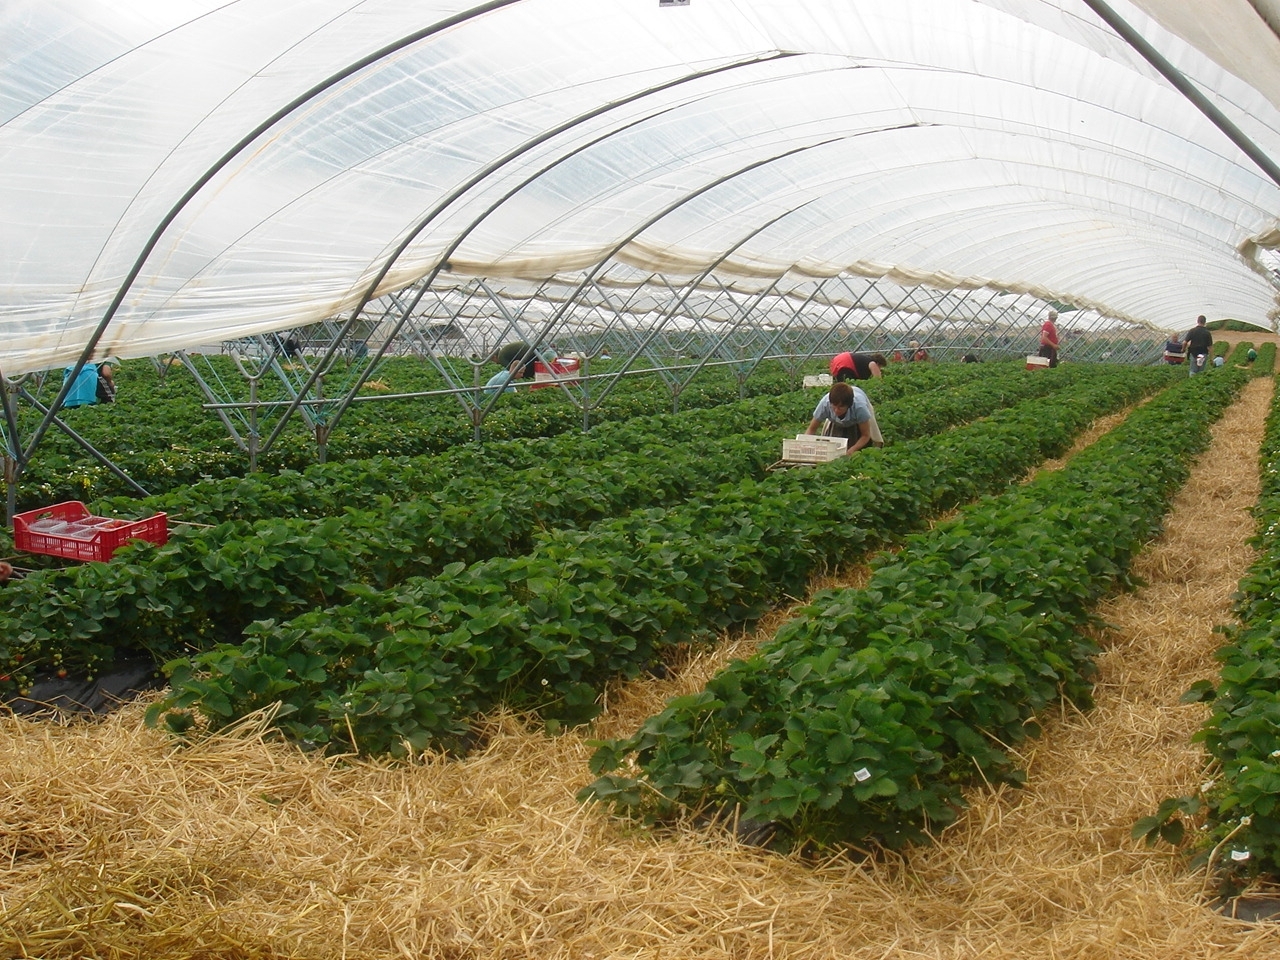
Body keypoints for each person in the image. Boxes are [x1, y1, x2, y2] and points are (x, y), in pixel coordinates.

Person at [805, 381, 882, 454]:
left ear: (848, 406)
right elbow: (812, 429)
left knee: (860, 446)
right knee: (832, 445)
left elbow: (865, 435)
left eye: (841, 407)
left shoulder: (860, 408)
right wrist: (805, 444)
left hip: (857, 417)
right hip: (835, 420)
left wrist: (853, 449)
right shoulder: (825, 404)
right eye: (834, 406)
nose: (836, 410)